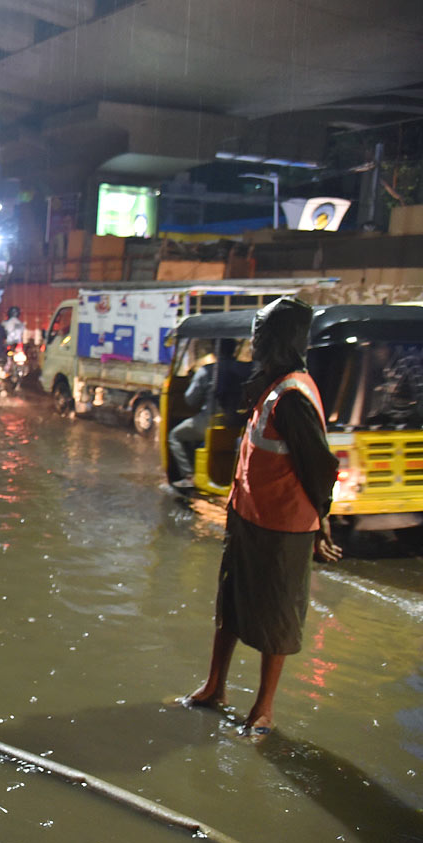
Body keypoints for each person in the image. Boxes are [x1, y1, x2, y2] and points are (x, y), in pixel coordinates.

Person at [182, 297, 341, 738]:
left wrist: (321, 522)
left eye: (260, 334)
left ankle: (263, 709)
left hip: (284, 526)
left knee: (277, 616)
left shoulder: (292, 396)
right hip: (248, 515)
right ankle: (216, 687)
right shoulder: (273, 385)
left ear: (276, 341)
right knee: (229, 602)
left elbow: (320, 466)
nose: (253, 341)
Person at [168, 338, 247, 488]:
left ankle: (189, 476)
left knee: (175, 435)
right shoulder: (245, 369)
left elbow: (191, 400)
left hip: (210, 422)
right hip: (238, 423)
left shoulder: (206, 371)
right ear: (234, 351)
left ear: (216, 351)